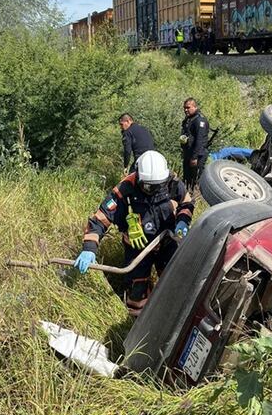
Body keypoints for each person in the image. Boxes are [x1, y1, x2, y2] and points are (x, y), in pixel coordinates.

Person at [74, 150, 195, 316]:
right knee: (137, 293)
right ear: (138, 177)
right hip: (137, 249)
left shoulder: (171, 182)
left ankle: (172, 315)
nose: (154, 190)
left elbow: (187, 203)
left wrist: (182, 220)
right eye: (149, 186)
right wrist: (89, 248)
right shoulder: (124, 191)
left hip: (167, 243)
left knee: (174, 282)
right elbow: (99, 220)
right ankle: (142, 321)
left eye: (158, 185)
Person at [180, 97, 210, 190]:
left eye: (188, 107)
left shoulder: (199, 120)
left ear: (195, 107)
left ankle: (195, 195)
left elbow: (199, 140)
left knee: (195, 179)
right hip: (188, 153)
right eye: (184, 108)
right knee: (186, 179)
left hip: (197, 155)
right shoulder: (189, 119)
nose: (186, 110)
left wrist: (194, 157)